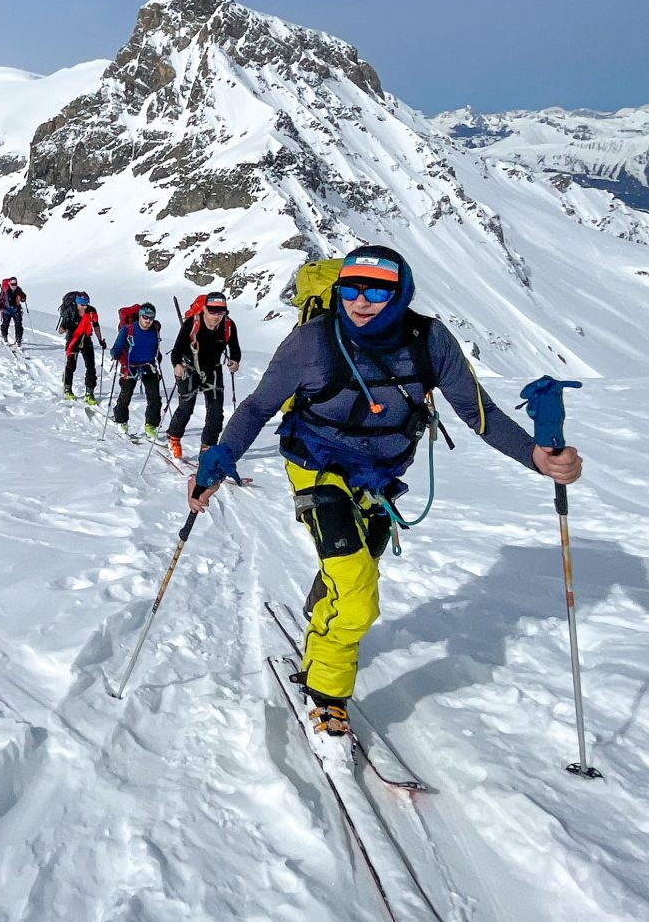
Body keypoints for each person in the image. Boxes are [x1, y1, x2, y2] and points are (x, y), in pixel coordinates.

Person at [187, 245, 583, 747]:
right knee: (356, 594)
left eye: (377, 290)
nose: (361, 301)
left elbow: (477, 413)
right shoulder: (311, 343)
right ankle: (326, 693)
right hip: (316, 465)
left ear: (402, 293)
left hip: (380, 477)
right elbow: (258, 407)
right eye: (350, 288)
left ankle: (325, 611)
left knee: (355, 570)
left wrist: (536, 456)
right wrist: (219, 461)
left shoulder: (430, 341)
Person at [167, 292, 241, 460]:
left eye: (220, 312)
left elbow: (235, 348)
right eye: (212, 311)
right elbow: (177, 349)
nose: (216, 316)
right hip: (189, 368)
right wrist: (177, 365)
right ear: (204, 309)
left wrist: (235, 361)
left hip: (213, 370)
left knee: (216, 412)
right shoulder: (192, 324)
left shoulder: (229, 325)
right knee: (186, 408)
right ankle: (174, 437)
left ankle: (207, 448)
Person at [109, 302, 165, 437]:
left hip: (148, 365)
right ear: (140, 316)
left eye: (151, 318)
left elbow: (155, 347)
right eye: (145, 317)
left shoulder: (155, 329)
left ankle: (151, 425)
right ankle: (121, 420)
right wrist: (115, 354)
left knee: (154, 397)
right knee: (126, 394)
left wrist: (158, 357)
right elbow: (116, 348)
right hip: (130, 366)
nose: (148, 321)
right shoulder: (128, 330)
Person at [59, 293, 101, 403]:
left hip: (86, 339)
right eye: (82, 305)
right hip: (72, 340)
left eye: (86, 304)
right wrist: (68, 325)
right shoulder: (70, 311)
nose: (84, 307)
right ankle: (67, 388)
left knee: (91, 366)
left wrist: (100, 340)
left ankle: (89, 392)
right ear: (77, 303)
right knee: (71, 365)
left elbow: (96, 326)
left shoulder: (91, 311)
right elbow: (60, 331)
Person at [0, 277, 27, 347]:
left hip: (16, 310)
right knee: (5, 324)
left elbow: (23, 296)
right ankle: (4, 336)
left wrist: (23, 298)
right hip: (6, 310)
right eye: (12, 284)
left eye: (15, 284)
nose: (14, 285)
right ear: (9, 284)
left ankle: (18, 339)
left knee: (18, 325)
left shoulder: (19, 290)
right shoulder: (5, 290)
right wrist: (1, 307)